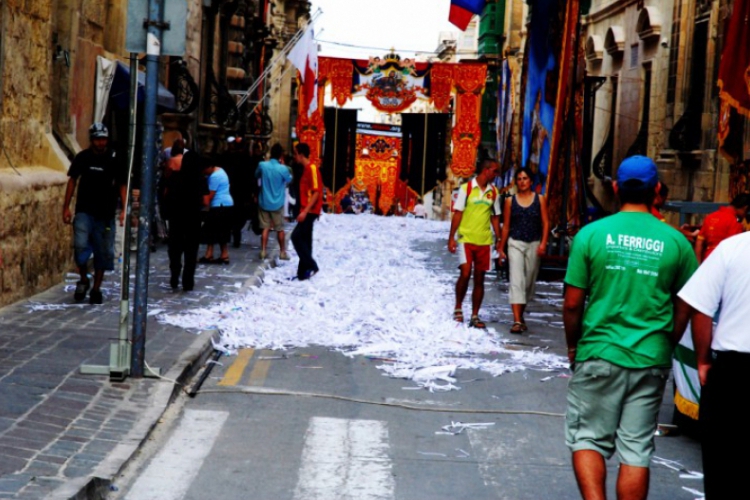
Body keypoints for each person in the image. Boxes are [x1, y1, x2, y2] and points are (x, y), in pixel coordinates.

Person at [562, 155, 697, 500]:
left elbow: (573, 303)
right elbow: (687, 304)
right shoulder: (677, 243)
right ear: (656, 191)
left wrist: (574, 347)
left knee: (588, 438)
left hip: (599, 351)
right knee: (636, 449)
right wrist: (667, 341)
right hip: (651, 357)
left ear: (616, 187)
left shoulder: (591, 235)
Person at [678, 230, 750, 499]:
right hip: (733, 366)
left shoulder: (733, 248)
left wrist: (702, 359)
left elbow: (700, 306)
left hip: (733, 369)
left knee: (723, 460)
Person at [62, 122, 127, 305]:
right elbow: (72, 180)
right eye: (98, 139)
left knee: (103, 251)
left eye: (103, 139)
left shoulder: (115, 158)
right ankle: (83, 279)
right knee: (80, 246)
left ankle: (96, 288)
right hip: (84, 211)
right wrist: (66, 207)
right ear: (92, 140)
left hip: (105, 214)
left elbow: (122, 184)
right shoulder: (83, 157)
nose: (101, 143)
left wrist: (124, 209)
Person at [447, 159, 502, 329]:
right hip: (466, 238)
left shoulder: (494, 192)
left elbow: (495, 216)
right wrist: (451, 237)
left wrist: (499, 239)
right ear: (486, 170)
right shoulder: (467, 189)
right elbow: (458, 213)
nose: (496, 174)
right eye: (495, 171)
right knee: (465, 272)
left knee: (480, 278)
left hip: (484, 241)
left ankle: (475, 315)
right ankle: (458, 306)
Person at [498, 167, 549, 333]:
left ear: (531, 181)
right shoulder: (510, 201)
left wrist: (543, 243)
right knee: (516, 279)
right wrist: (501, 248)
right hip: (515, 243)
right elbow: (506, 226)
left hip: (534, 243)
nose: (522, 181)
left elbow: (546, 223)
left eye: (525, 178)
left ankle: (520, 314)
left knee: (528, 282)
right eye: (519, 179)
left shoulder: (540, 199)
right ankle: (517, 320)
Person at [163, 147, 207, 291]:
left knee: (175, 249)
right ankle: (188, 281)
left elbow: (166, 195)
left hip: (176, 218)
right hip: (193, 219)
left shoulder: (175, 177)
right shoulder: (200, 179)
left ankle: (175, 273)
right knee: (191, 251)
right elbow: (206, 201)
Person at [291, 143, 323, 280]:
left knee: (296, 237)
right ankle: (302, 273)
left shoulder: (312, 168)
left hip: (310, 211)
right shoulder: (306, 170)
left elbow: (316, 192)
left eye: (295, 153)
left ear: (301, 154)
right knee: (305, 240)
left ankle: (311, 265)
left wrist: (305, 211)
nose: (294, 157)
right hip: (307, 210)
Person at [256, 143, 292, 260]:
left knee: (265, 227)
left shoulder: (262, 165)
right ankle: (282, 252)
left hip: (264, 201)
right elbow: (289, 179)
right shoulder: (283, 169)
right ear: (280, 155)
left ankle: (263, 251)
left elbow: (256, 175)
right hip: (277, 202)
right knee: (279, 228)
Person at [694, 193, 748, 263]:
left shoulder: (710, 217)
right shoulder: (734, 222)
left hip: (707, 260)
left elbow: (699, 242)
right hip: (723, 262)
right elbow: (734, 248)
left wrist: (698, 264)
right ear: (745, 208)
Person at [199, 163, 234, 264]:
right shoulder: (220, 170)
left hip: (219, 204)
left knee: (214, 229)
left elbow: (209, 195)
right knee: (217, 230)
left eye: (205, 170)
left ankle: (220, 254)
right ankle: (215, 254)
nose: (204, 173)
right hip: (225, 203)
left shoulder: (214, 177)